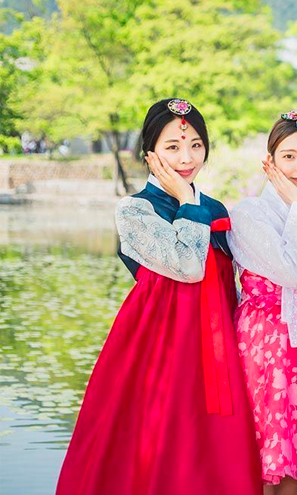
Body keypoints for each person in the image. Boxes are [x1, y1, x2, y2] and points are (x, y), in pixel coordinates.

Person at [56, 98, 261, 495]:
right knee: (153, 443)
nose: (187, 157)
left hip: (214, 345)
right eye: (172, 147)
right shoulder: (135, 210)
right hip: (158, 345)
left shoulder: (216, 208)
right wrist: (187, 201)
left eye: (196, 145)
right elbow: (188, 265)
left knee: (216, 451)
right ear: (149, 152)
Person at [228, 111, 297, 495]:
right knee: (262, 448)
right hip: (264, 341)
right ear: (269, 161)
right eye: (289, 156)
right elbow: (291, 272)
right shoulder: (248, 213)